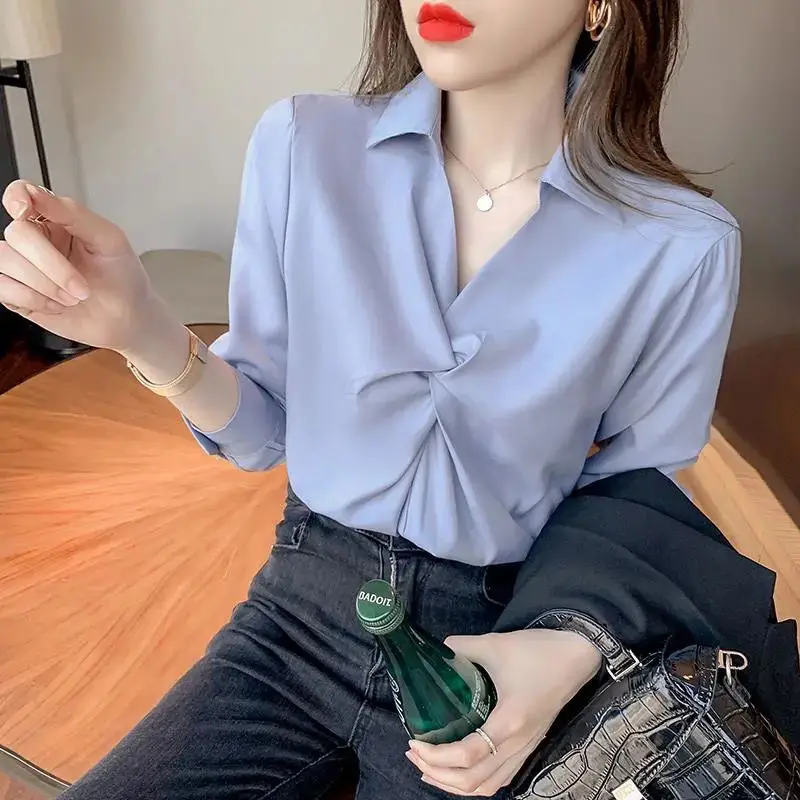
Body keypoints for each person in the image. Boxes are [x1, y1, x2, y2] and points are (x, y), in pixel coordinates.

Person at [0, 1, 742, 797]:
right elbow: (262, 431)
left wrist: (566, 652)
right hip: (296, 613)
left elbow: (639, 500)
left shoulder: (682, 245)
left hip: (494, 654)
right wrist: (140, 328)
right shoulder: (303, 144)